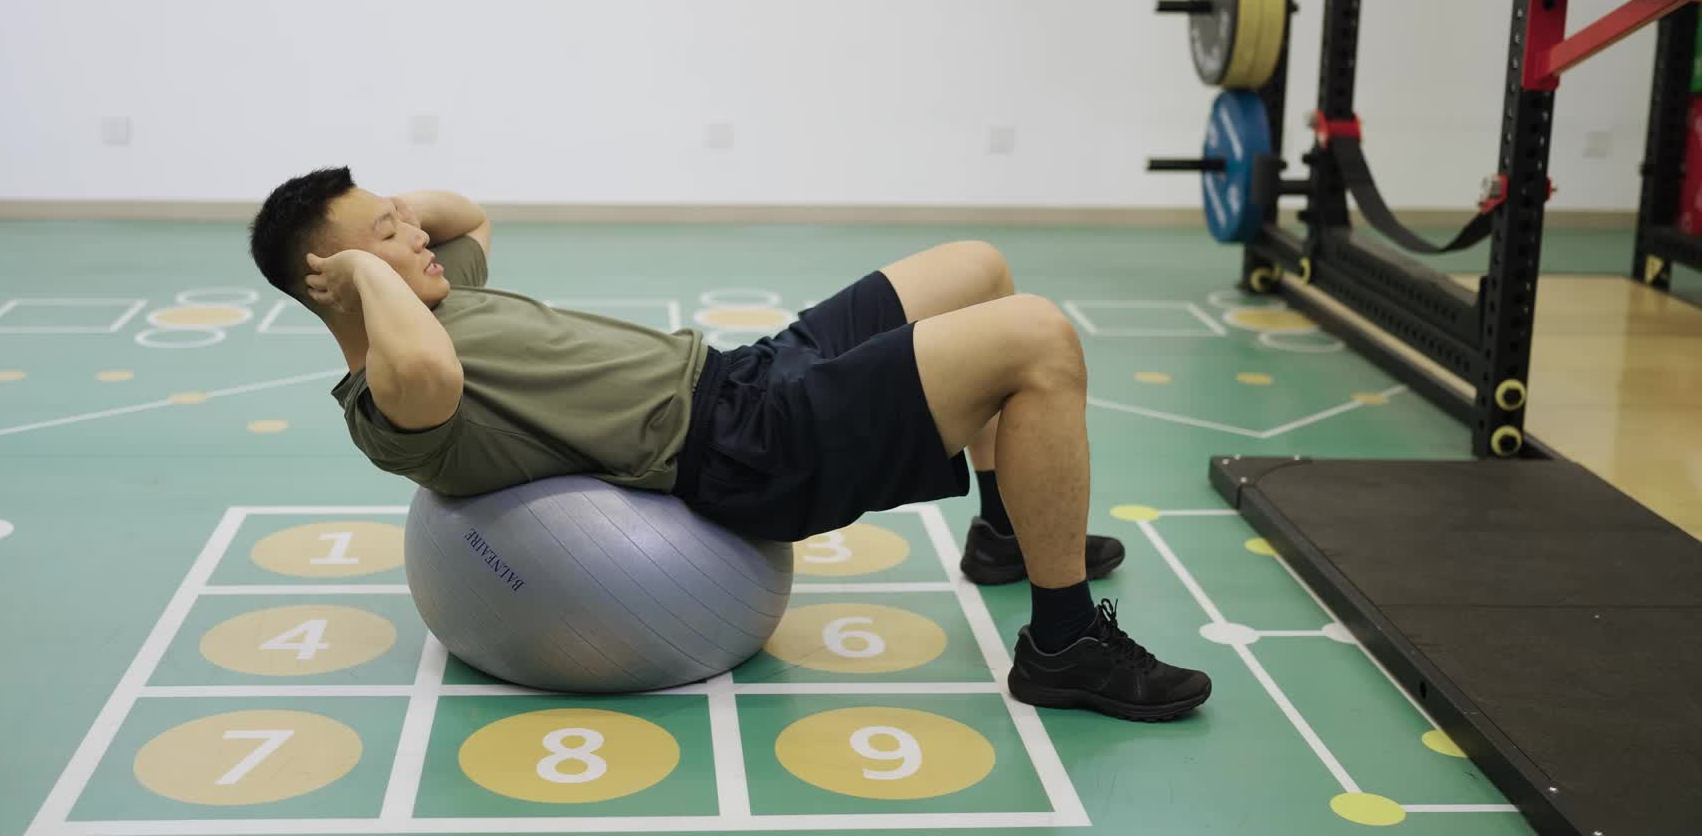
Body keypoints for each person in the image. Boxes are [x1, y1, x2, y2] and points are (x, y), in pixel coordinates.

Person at [248, 168, 1211, 721]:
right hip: (746, 446)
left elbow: (468, 216)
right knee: (1038, 337)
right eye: (389, 235)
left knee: (979, 267)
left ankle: (1002, 534)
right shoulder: (389, 398)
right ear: (339, 279)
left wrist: (386, 227)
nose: (418, 237)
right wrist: (365, 273)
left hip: (746, 372)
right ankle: (1064, 642)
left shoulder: (431, 293)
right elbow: (425, 372)